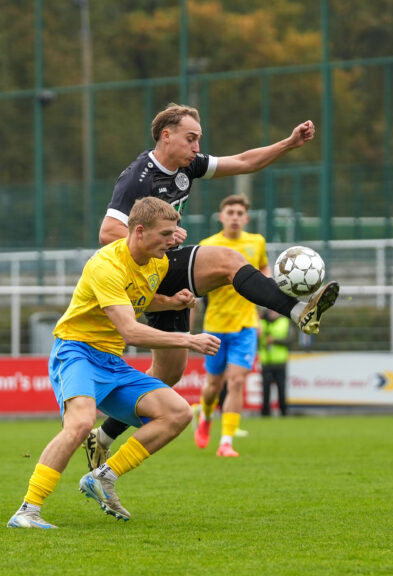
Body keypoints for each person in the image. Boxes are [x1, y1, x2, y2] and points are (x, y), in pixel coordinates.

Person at [84, 103, 340, 469]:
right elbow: (107, 233)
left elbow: (244, 162)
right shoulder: (138, 178)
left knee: (169, 373)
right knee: (228, 261)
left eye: (198, 140)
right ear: (166, 136)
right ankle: (300, 310)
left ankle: (102, 437)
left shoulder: (187, 165)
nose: (196, 146)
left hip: (164, 265)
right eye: (191, 138)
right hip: (146, 268)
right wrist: (167, 235)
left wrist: (288, 143)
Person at [7, 197, 221, 529]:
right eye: (166, 234)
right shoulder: (105, 264)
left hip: (111, 361)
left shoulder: (157, 263)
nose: (173, 240)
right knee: (79, 425)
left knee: (178, 412)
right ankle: (27, 511)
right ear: (139, 231)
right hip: (76, 352)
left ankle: (103, 477)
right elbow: (130, 330)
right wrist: (188, 340)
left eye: (174, 232)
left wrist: (171, 301)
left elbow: (140, 300)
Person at [194, 194, 266, 457]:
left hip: (246, 324)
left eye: (239, 213)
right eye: (230, 212)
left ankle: (226, 442)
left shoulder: (256, 242)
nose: (235, 217)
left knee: (236, 382)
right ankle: (205, 416)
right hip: (215, 325)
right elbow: (198, 285)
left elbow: (264, 269)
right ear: (221, 217)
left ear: (246, 218)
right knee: (213, 386)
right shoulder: (208, 245)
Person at [259, 307, 293, 416]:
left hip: (280, 362)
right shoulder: (261, 323)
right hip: (266, 362)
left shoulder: (285, 322)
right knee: (265, 390)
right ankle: (265, 413)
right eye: (270, 311)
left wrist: (275, 340)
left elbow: (291, 339)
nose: (272, 313)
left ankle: (283, 412)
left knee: (281, 388)